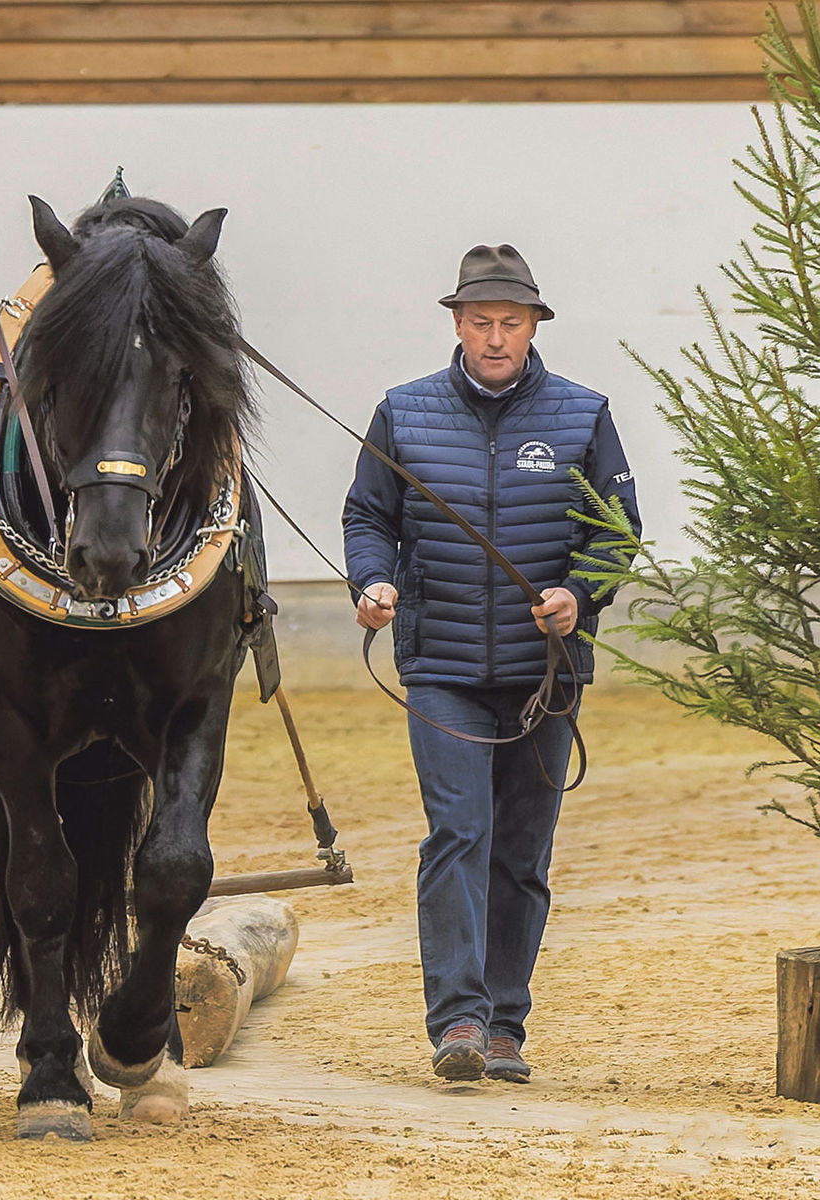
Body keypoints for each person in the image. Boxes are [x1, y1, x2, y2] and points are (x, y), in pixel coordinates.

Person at [342, 244, 640, 1083]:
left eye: (511, 322)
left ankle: (507, 1024)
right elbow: (368, 515)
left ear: (534, 325)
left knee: (520, 852)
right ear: (459, 324)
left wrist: (579, 594)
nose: (496, 337)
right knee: (458, 833)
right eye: (482, 322)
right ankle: (459, 1021)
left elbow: (618, 531)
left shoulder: (583, 414)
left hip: (546, 673)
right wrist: (372, 580)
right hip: (441, 668)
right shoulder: (403, 412)